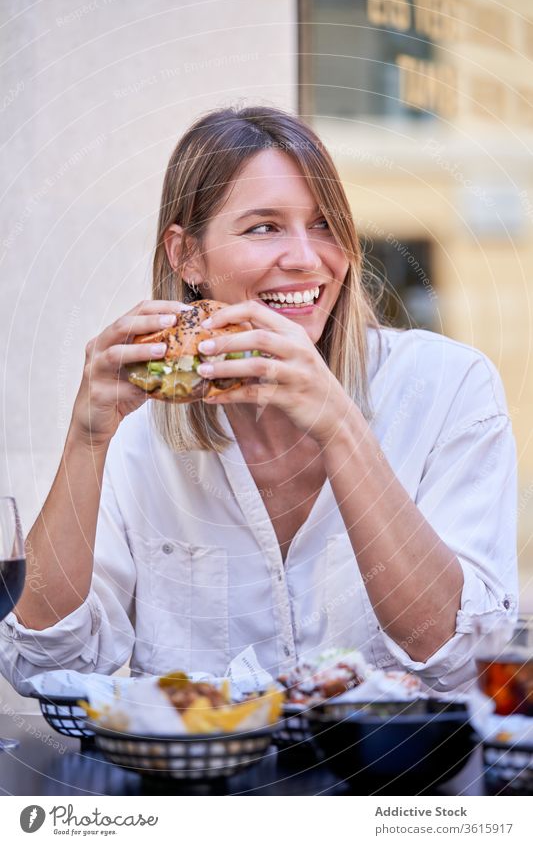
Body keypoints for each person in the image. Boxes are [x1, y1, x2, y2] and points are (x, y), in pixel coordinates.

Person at [0, 107, 517, 695]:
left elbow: (458, 656)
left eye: (324, 225)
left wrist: (339, 427)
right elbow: (42, 660)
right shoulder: (139, 428)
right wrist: (87, 439)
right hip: (198, 786)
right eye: (263, 227)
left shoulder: (448, 387)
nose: (305, 257)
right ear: (186, 256)